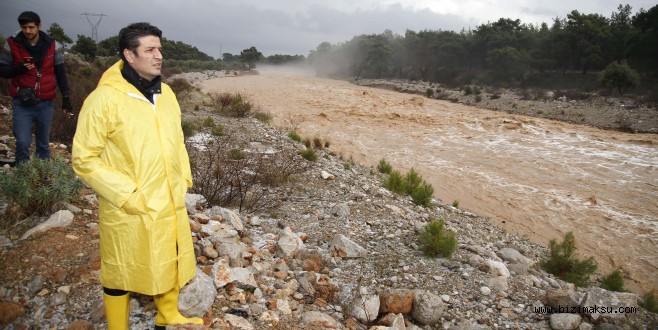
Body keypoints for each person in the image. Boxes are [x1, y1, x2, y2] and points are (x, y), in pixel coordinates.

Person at [71, 22, 203, 329]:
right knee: (121, 266)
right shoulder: (104, 98)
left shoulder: (167, 93)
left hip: (169, 195)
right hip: (127, 201)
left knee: (169, 252)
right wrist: (127, 194)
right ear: (129, 55)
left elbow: (176, 140)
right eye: (150, 50)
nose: (159, 56)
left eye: (160, 49)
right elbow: (84, 159)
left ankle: (167, 313)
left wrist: (183, 178)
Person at [0, 11, 73, 164]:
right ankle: (24, 178)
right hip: (21, 102)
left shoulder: (53, 45)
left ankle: (42, 179)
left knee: (43, 145)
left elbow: (61, 73)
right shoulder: (12, 43)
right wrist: (18, 69)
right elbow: (2, 70)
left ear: (39, 26)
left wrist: (66, 97)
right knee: (22, 143)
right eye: (24, 27)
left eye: (31, 27)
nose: (27, 31)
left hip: (45, 103)